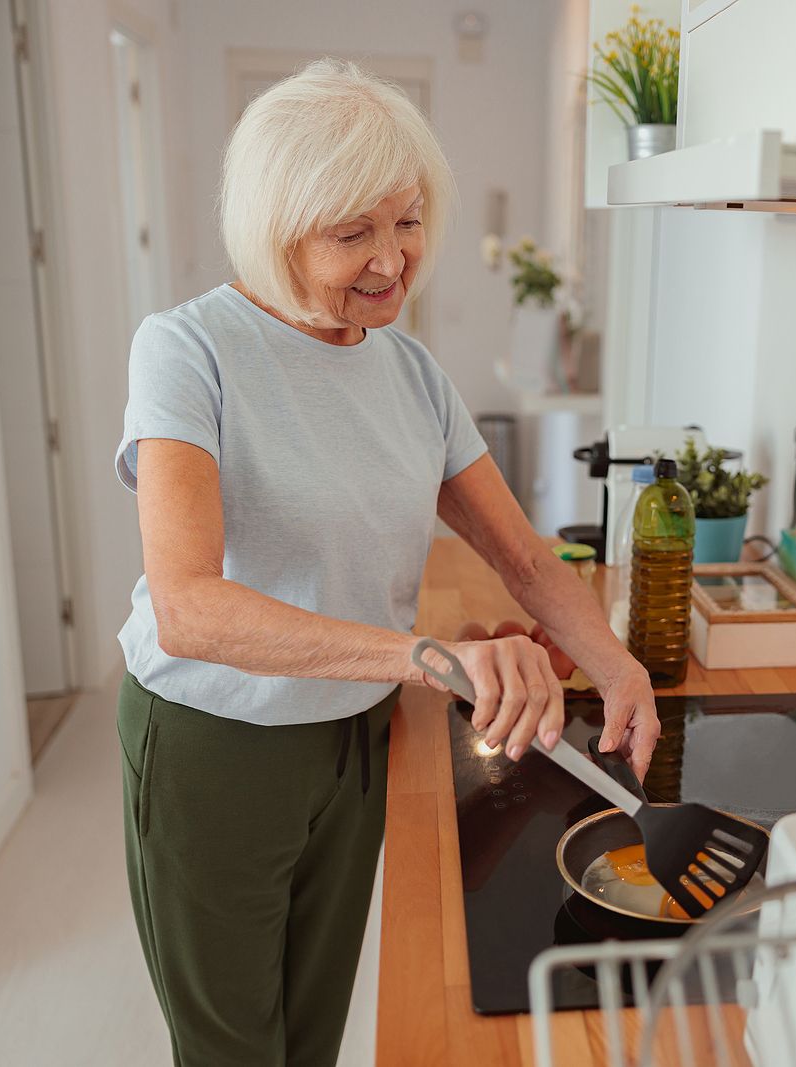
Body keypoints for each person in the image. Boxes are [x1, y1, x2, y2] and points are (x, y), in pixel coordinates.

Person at [112, 58, 660, 1066]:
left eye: (405, 221)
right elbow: (188, 607)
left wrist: (617, 662)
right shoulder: (187, 350)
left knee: (311, 1034)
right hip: (214, 746)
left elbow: (521, 556)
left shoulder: (409, 371)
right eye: (350, 232)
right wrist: (422, 656)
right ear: (277, 228)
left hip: (354, 741)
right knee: (232, 1048)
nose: (392, 260)